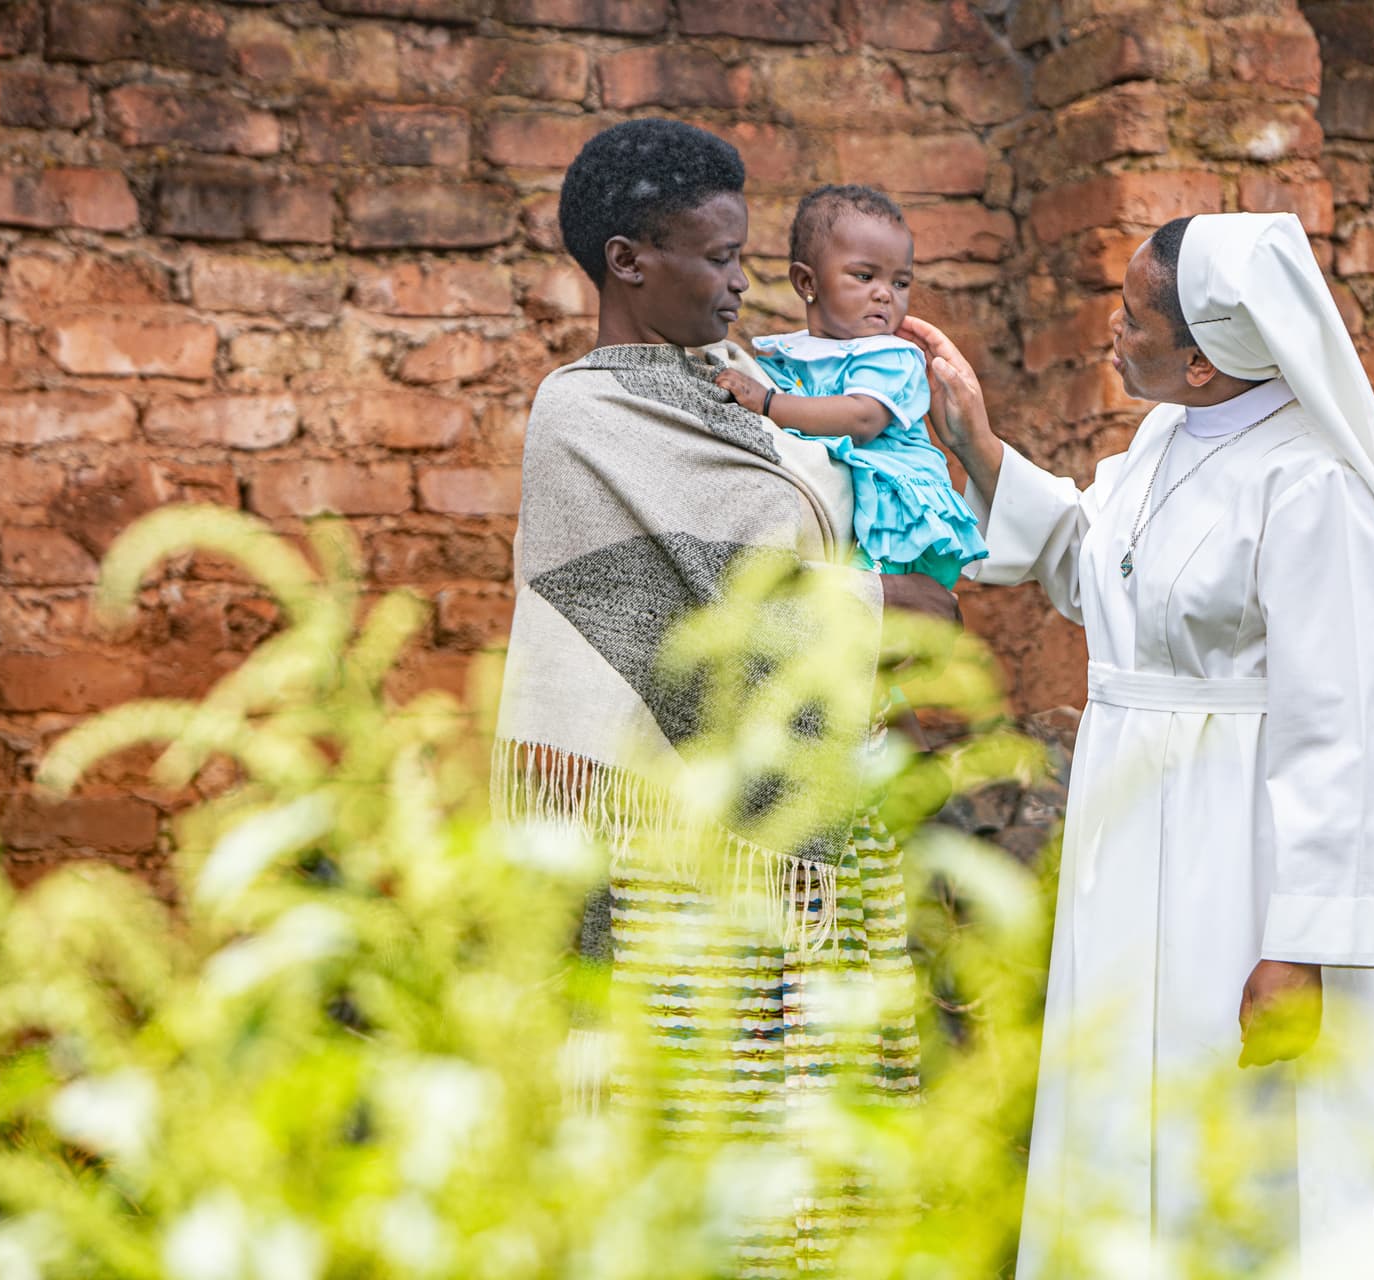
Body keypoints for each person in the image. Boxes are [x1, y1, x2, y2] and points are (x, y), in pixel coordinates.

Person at [901, 212, 1374, 1274]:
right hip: (1140, 828)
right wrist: (976, 440)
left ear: (1204, 361)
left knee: (1253, 1129)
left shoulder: (1313, 488)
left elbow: (1338, 731)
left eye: (1132, 314)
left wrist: (1296, 949)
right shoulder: (1165, 439)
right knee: (1128, 1100)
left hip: (1242, 851)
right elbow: (1094, 574)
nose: (1112, 329)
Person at [493, 118, 949, 1274]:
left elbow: (816, 548)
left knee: (813, 1145)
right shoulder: (583, 415)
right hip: (668, 849)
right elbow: (656, 618)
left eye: (748, 254)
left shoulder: (748, 392)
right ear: (628, 259)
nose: (743, 280)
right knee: (700, 1132)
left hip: (811, 828)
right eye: (716, 254)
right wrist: (846, 613)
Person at [709, 184, 988, 589]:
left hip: (900, 526)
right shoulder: (790, 355)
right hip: (854, 518)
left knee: (841, 610)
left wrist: (768, 403)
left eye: (900, 283)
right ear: (807, 281)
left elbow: (861, 417)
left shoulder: (890, 356)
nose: (884, 294)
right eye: (864, 276)